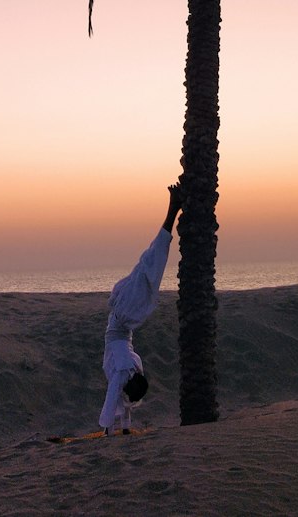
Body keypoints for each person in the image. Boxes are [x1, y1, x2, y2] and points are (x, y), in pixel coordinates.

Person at [99, 181, 182, 435]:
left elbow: (112, 399)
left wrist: (106, 429)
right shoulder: (130, 369)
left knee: (147, 267)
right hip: (123, 329)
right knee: (147, 268)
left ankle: (172, 210)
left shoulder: (130, 369)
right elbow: (119, 399)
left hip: (123, 325)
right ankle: (172, 211)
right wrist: (120, 428)